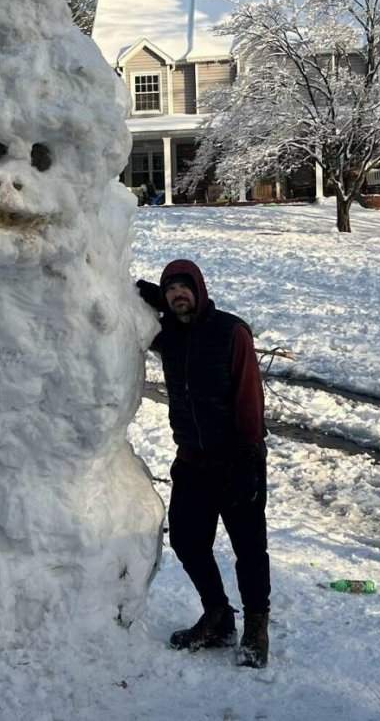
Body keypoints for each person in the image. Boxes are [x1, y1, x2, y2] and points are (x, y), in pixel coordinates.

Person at [137, 259, 270, 668]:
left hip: (237, 460)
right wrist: (137, 293)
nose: (179, 295)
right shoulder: (169, 336)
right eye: (171, 290)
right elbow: (136, 315)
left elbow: (250, 398)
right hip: (192, 461)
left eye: (184, 288)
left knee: (248, 548)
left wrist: (249, 457)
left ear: (199, 289)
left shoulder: (231, 331)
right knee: (188, 541)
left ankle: (255, 630)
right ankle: (217, 616)